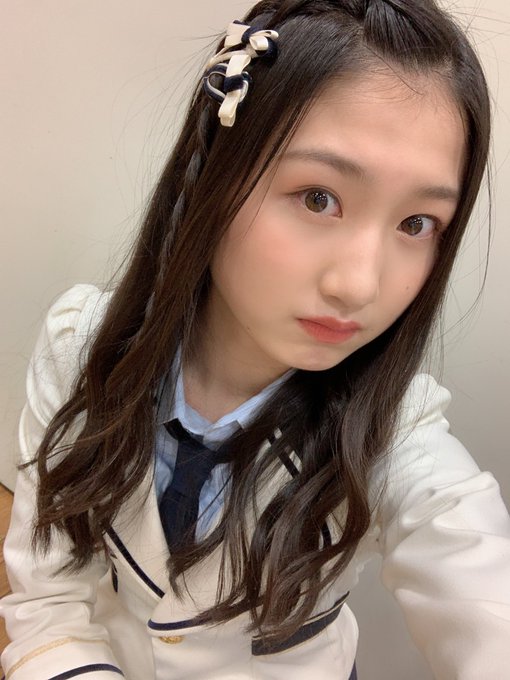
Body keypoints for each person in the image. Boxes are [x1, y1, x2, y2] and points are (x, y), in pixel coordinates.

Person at [2, 0, 510, 678]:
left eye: (416, 223)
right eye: (319, 197)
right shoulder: (81, 348)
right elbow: (48, 606)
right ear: (211, 175)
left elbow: (479, 587)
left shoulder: (396, 435)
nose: (359, 285)